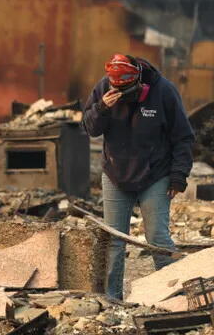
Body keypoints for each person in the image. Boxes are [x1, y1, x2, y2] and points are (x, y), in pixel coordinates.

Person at [82, 54, 195, 300]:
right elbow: (89, 128)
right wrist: (102, 108)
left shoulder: (163, 90)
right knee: (114, 239)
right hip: (116, 173)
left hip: (156, 173)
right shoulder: (104, 87)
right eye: (114, 86)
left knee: (157, 237)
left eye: (125, 88)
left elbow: (183, 136)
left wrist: (178, 176)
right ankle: (112, 299)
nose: (118, 91)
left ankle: (172, 296)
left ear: (138, 81)